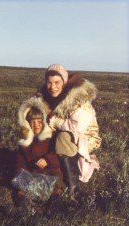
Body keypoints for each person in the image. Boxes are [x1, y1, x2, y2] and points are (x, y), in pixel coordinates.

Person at [36, 64, 101, 200]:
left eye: (57, 82)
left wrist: (54, 122)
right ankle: (53, 170)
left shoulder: (78, 99)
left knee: (63, 137)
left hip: (86, 138)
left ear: (64, 82)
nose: (53, 87)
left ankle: (72, 185)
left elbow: (77, 129)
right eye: (49, 82)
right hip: (65, 135)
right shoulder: (47, 98)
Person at [14, 97, 65, 207]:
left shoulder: (51, 137)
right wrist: (20, 172)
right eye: (32, 122)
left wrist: (47, 159)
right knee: (22, 184)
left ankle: (55, 200)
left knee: (56, 180)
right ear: (27, 123)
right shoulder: (25, 142)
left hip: (50, 171)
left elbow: (57, 154)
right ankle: (23, 204)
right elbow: (20, 160)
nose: (36, 125)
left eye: (39, 121)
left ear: (45, 121)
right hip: (32, 173)